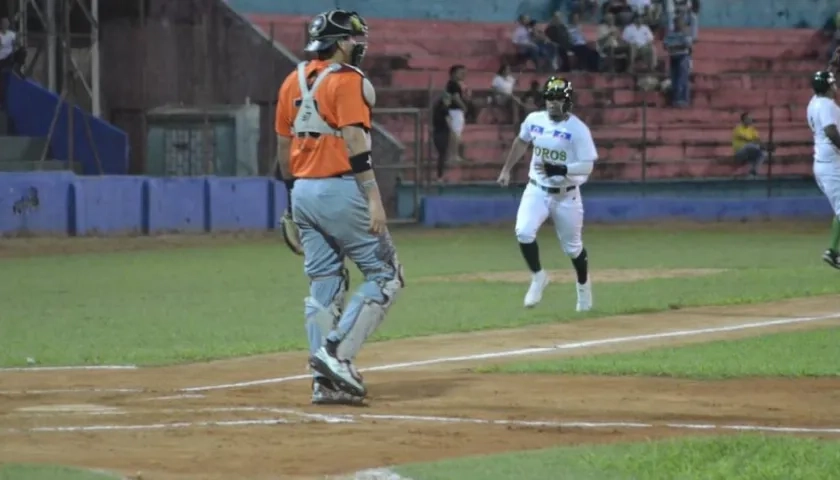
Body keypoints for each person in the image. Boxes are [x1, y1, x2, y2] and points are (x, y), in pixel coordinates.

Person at [274, 9, 405, 405]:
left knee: (325, 285)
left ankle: (324, 383)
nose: (358, 46)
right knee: (386, 276)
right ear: (338, 41)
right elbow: (355, 142)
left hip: (303, 192)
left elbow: (283, 147)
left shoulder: (290, 80)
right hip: (340, 191)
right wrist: (373, 197)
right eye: (353, 40)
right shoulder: (347, 81)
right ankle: (335, 355)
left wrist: (290, 203)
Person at [496, 77, 595, 312]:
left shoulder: (578, 130)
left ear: (568, 101)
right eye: (550, 98)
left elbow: (588, 165)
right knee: (523, 231)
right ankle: (539, 276)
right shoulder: (534, 120)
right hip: (537, 188)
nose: (553, 103)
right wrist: (506, 169)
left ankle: (583, 289)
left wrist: (563, 169)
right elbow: (521, 142)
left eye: (558, 98)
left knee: (573, 248)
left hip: (566, 195)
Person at [806, 70, 840, 269]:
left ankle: (834, 251)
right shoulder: (825, 105)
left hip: (827, 162)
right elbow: (831, 132)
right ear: (829, 87)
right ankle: (832, 251)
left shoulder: (814, 102)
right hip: (830, 164)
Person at [732, 112, 769, 178]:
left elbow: (757, 139)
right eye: (748, 119)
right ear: (743, 120)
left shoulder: (752, 129)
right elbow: (746, 140)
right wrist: (759, 145)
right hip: (740, 153)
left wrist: (763, 146)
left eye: (750, 119)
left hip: (751, 153)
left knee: (764, 153)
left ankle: (753, 171)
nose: (750, 120)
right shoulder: (738, 128)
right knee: (749, 146)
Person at [445, 64, 468, 163]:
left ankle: (454, 155)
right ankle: (454, 155)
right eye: (460, 73)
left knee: (456, 133)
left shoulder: (454, 84)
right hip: (455, 111)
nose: (463, 75)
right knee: (455, 134)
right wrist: (464, 107)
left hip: (455, 111)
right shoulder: (453, 84)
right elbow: (456, 98)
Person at [432, 92, 453, 182]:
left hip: (436, 133)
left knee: (441, 155)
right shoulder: (445, 109)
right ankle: (440, 176)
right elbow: (449, 122)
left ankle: (440, 175)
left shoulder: (436, 109)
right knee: (442, 155)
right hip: (443, 133)